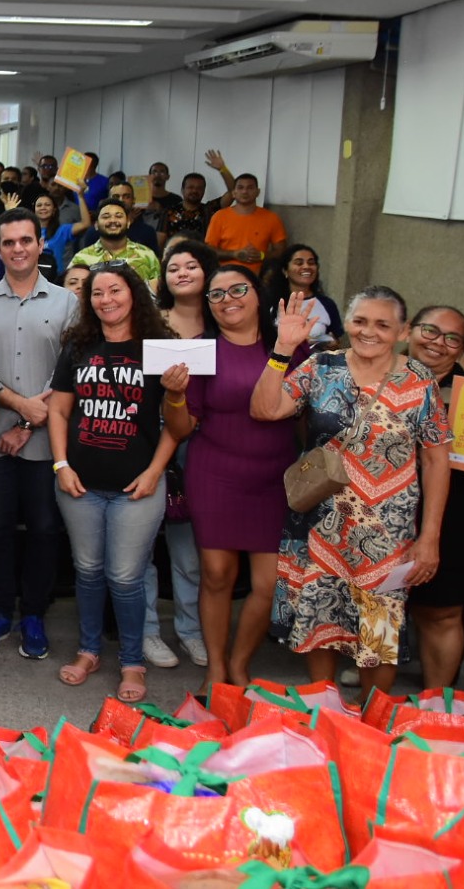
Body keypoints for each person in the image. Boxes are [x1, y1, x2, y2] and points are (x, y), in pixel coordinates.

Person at [251, 286, 450, 695]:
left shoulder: (419, 379)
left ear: (402, 330)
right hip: (320, 525)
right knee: (318, 623)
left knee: (379, 637)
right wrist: (283, 350)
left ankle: (372, 721)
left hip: (387, 535)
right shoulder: (322, 367)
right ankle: (328, 716)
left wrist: (429, 536)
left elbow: (435, 459)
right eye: (360, 321)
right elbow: (266, 409)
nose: (369, 331)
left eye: (382, 324)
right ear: (348, 322)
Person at [157, 265, 301, 688]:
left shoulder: (293, 347)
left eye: (238, 289)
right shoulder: (201, 349)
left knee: (268, 582)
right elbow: (182, 429)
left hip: (275, 478)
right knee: (217, 575)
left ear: (258, 295)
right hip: (215, 473)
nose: (227, 299)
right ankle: (219, 669)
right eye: (216, 295)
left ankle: (241, 661)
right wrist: (175, 395)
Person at [49, 262, 180, 704]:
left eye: (115, 290)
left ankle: (131, 661)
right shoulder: (79, 345)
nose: (106, 300)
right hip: (79, 484)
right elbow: (59, 411)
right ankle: (88, 651)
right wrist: (61, 465)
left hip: (137, 486)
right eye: (97, 293)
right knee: (86, 572)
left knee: (125, 576)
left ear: (134, 293)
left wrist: (155, 470)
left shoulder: (159, 346)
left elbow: (180, 425)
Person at [0, 210, 79, 661]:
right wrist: (18, 409)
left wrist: (29, 423)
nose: (18, 249)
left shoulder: (67, 303)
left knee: (44, 528)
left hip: (46, 438)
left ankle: (33, 613)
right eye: (9, 242)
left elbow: (68, 374)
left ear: (39, 244)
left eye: (26, 241)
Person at [399, 306, 464, 690]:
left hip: (456, 515)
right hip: (377, 508)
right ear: (409, 331)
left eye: (452, 338)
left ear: (461, 350)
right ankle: (369, 690)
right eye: (430, 330)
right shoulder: (370, 377)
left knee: (441, 614)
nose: (438, 343)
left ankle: (435, 702)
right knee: (371, 607)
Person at [143, 240, 219, 668]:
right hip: (150, 439)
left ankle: (191, 630)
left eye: (192, 265)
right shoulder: (151, 322)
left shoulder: (222, 323)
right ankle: (149, 632)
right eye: (174, 268)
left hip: (204, 444)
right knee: (142, 547)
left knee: (189, 551)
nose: (183, 273)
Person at [263, 245, 343, 349]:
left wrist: (332, 344)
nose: (306, 267)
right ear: (285, 271)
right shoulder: (269, 301)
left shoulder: (327, 304)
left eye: (311, 263)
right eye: (299, 263)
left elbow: (336, 341)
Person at [204, 172, 286, 275]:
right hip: (225, 275)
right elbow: (208, 250)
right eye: (240, 188)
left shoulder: (272, 218)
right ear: (233, 193)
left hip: (258, 277)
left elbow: (281, 251)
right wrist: (234, 254)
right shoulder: (219, 216)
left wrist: (261, 255)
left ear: (258, 192)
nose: (245, 191)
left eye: (250, 188)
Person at [69, 199, 162, 285]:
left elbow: (159, 293)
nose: (113, 220)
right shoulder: (81, 259)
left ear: (128, 223)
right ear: (96, 225)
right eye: (106, 217)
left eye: (118, 216)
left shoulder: (147, 255)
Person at [32, 189, 91, 275]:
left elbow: (85, 224)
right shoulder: (29, 232)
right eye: (39, 205)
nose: (43, 208)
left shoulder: (63, 230)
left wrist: (81, 197)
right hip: (33, 278)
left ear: (54, 210)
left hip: (57, 279)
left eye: (47, 205)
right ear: (34, 210)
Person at [157, 172, 219, 246]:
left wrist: (222, 169)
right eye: (190, 187)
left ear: (204, 191)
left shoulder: (208, 210)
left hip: (201, 255)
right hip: (174, 255)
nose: (194, 191)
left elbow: (230, 194)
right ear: (182, 190)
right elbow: (160, 241)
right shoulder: (168, 212)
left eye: (199, 188)